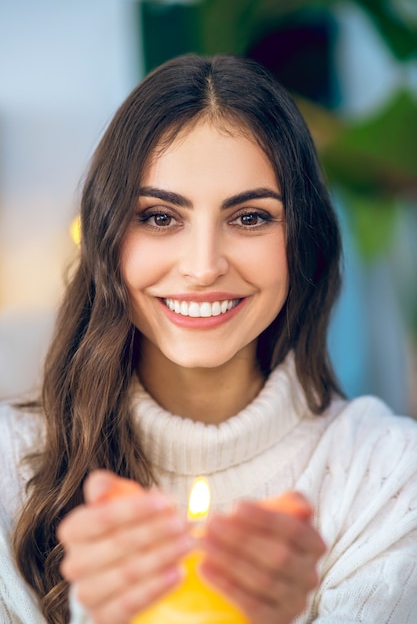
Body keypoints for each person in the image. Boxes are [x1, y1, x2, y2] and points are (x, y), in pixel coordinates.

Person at [1, 53, 417, 624]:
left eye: (249, 217)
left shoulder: (391, 480)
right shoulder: (6, 469)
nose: (203, 267)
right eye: (159, 217)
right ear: (105, 236)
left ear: (302, 240)